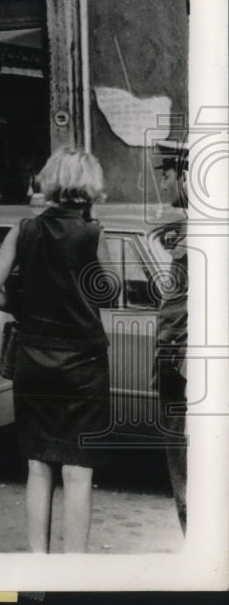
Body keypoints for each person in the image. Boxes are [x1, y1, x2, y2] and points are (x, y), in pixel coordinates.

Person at [0, 148, 111, 553]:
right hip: (84, 364)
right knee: (77, 470)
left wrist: (22, 306)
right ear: (88, 186)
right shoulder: (93, 233)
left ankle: (38, 563)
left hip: (33, 360)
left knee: (38, 466)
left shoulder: (23, 229)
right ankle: (73, 572)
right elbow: (105, 292)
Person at [153, 140, 188, 533]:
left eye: (165, 174)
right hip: (177, 358)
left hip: (185, 362)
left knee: (187, 471)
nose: (162, 183)